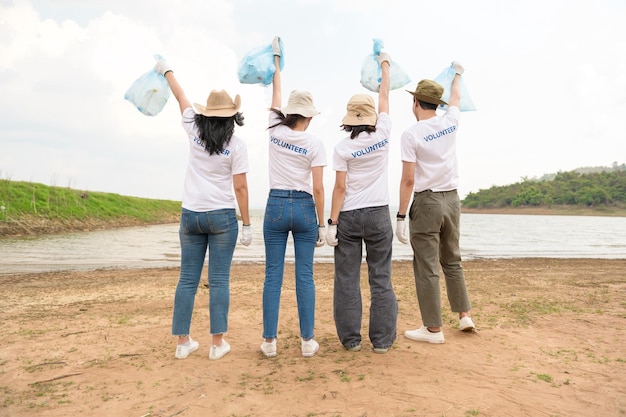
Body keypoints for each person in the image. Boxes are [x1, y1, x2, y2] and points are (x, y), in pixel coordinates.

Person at [154, 57, 252, 360]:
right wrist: (247, 224)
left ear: (207, 114)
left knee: (187, 279)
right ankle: (216, 344)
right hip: (222, 216)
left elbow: (180, 95)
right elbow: (240, 188)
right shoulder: (236, 146)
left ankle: (183, 343)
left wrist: (166, 70)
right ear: (232, 117)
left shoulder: (192, 129)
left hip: (191, 215)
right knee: (220, 280)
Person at [396, 61, 475, 344]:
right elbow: (456, 97)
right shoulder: (450, 120)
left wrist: (401, 217)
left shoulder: (410, 134)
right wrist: (457, 74)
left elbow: (408, 180)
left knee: (427, 265)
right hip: (453, 200)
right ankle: (464, 315)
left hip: (427, 201)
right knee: (452, 259)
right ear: (436, 104)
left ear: (415, 102)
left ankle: (433, 330)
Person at [326, 51, 398, 354]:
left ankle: (351, 340)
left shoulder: (342, 148)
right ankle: (381, 342)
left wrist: (331, 224)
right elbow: (384, 96)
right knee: (380, 277)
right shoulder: (383, 133)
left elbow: (340, 188)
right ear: (370, 117)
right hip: (380, 214)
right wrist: (384, 65)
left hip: (350, 216)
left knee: (347, 279)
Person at [260, 36, 326, 358]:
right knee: (305, 276)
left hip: (274, 205)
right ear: (309, 117)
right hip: (303, 208)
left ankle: (270, 342)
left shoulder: (274, 128)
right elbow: (318, 188)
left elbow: (275, 91)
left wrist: (276, 61)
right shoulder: (314, 144)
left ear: (288, 113)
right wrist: (324, 225)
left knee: (273, 274)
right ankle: (307, 341)